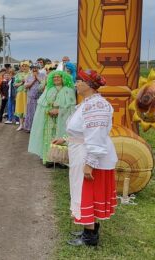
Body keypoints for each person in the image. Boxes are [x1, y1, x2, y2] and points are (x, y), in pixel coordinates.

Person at [52, 69, 117, 247]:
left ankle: (90, 236)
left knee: (86, 192)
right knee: (83, 191)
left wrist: (90, 164)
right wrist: (65, 139)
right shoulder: (88, 103)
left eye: (79, 81)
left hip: (88, 155)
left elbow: (96, 135)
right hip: (81, 151)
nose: (76, 84)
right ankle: (89, 229)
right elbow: (81, 130)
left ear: (88, 85)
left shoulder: (96, 105)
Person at [28, 70, 76, 167]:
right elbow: (42, 105)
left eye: (58, 77)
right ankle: (49, 158)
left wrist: (59, 111)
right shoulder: (49, 89)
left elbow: (71, 107)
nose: (56, 79)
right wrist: (48, 110)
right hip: (49, 118)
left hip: (63, 119)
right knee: (49, 137)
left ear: (64, 78)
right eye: (54, 77)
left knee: (62, 136)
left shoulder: (69, 90)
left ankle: (62, 160)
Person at [23, 65, 46, 132]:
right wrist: (33, 80)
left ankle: (38, 129)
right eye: (33, 68)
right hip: (31, 97)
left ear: (38, 68)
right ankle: (29, 128)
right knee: (30, 112)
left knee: (38, 113)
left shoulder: (42, 75)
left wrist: (37, 78)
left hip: (40, 97)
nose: (34, 69)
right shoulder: (28, 76)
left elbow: (44, 84)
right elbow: (26, 86)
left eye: (36, 68)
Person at [14, 61, 31, 130]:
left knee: (27, 108)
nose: (24, 67)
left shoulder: (31, 74)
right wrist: (22, 82)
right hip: (20, 93)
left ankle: (27, 124)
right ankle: (21, 125)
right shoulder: (18, 74)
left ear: (28, 67)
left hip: (28, 93)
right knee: (20, 108)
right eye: (23, 66)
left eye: (26, 66)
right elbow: (15, 84)